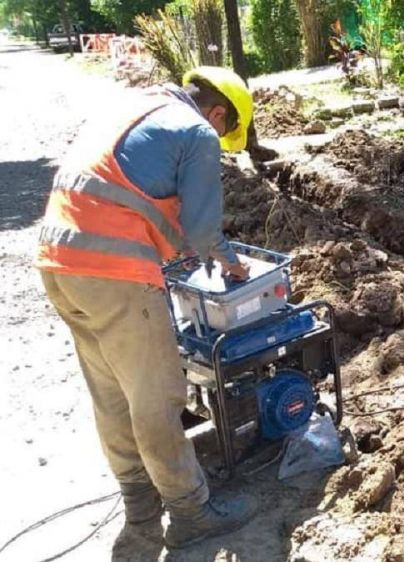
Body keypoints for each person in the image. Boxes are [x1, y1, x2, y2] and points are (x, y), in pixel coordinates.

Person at [35, 66, 257, 549]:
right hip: (112, 270)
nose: (218, 140)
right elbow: (202, 231)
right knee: (157, 396)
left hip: (58, 262)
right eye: (225, 133)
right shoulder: (196, 129)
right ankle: (191, 511)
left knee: (112, 393)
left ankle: (139, 504)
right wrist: (232, 264)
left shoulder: (132, 107)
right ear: (218, 113)